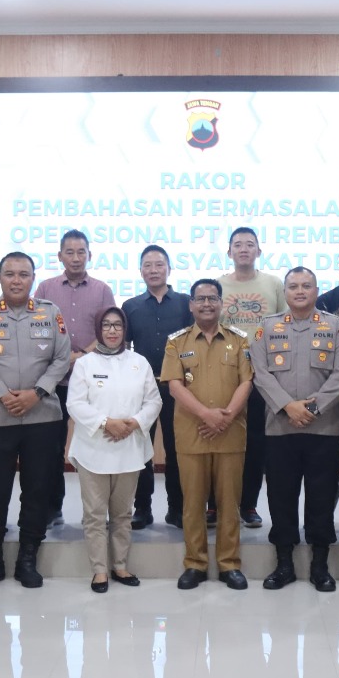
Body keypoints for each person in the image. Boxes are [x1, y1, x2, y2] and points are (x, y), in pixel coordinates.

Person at [0, 252, 71, 589]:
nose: (16, 280)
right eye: (10, 274)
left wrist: (35, 393)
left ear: (33, 278)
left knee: (37, 488)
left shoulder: (50, 312)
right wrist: (1, 393)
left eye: (23, 274)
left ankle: (28, 556)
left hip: (42, 416)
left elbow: (62, 357)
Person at [250, 267, 339, 592]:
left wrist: (310, 408)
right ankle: (284, 565)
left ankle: (320, 565)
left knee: (322, 497)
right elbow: (259, 372)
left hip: (323, 428)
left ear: (316, 289)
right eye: (293, 286)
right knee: (281, 497)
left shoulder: (337, 328)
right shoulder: (266, 328)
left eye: (305, 285)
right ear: (285, 291)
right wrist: (287, 406)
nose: (299, 291)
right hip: (280, 428)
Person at [161, 279, 253, 590]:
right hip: (192, 434)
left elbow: (246, 383)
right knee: (193, 503)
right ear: (190, 305)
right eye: (200, 299)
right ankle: (195, 563)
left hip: (230, 433)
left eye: (212, 298)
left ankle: (229, 564)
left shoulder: (240, 341)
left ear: (221, 302)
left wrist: (224, 419)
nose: (206, 304)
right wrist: (206, 415)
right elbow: (174, 386)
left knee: (230, 503)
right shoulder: (177, 342)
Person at [67, 308, 162, 592]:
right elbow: (75, 403)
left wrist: (133, 423)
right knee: (95, 514)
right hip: (93, 450)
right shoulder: (85, 364)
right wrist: (106, 423)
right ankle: (99, 571)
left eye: (117, 325)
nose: (111, 330)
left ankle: (119, 565)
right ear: (98, 329)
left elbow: (153, 401)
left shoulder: (139, 362)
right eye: (106, 325)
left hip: (129, 448)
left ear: (125, 329)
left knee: (122, 514)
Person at [33, 229, 116, 529]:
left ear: (89, 255)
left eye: (81, 252)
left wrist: (81, 357)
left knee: (95, 443)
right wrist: (64, 359)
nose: (76, 257)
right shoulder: (45, 288)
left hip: (93, 378)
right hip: (53, 381)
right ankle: (52, 508)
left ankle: (97, 511)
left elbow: (109, 328)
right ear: (59, 256)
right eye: (70, 252)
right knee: (51, 447)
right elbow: (36, 328)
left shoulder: (102, 290)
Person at [217, 226, 285, 529]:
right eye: (238, 245)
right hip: (224, 373)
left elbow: (285, 323)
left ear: (258, 251)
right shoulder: (217, 285)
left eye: (250, 245)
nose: (244, 249)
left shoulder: (273, 284)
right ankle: (214, 504)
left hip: (263, 375)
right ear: (229, 252)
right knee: (219, 436)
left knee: (256, 442)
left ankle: (248, 504)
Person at [122, 244, 192, 529]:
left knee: (177, 450)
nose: (153, 270)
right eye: (147, 265)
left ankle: (177, 508)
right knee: (141, 449)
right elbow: (124, 348)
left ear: (169, 269)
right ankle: (143, 508)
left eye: (159, 264)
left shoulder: (186, 303)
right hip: (143, 388)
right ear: (141, 271)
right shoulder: (131, 306)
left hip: (177, 387)